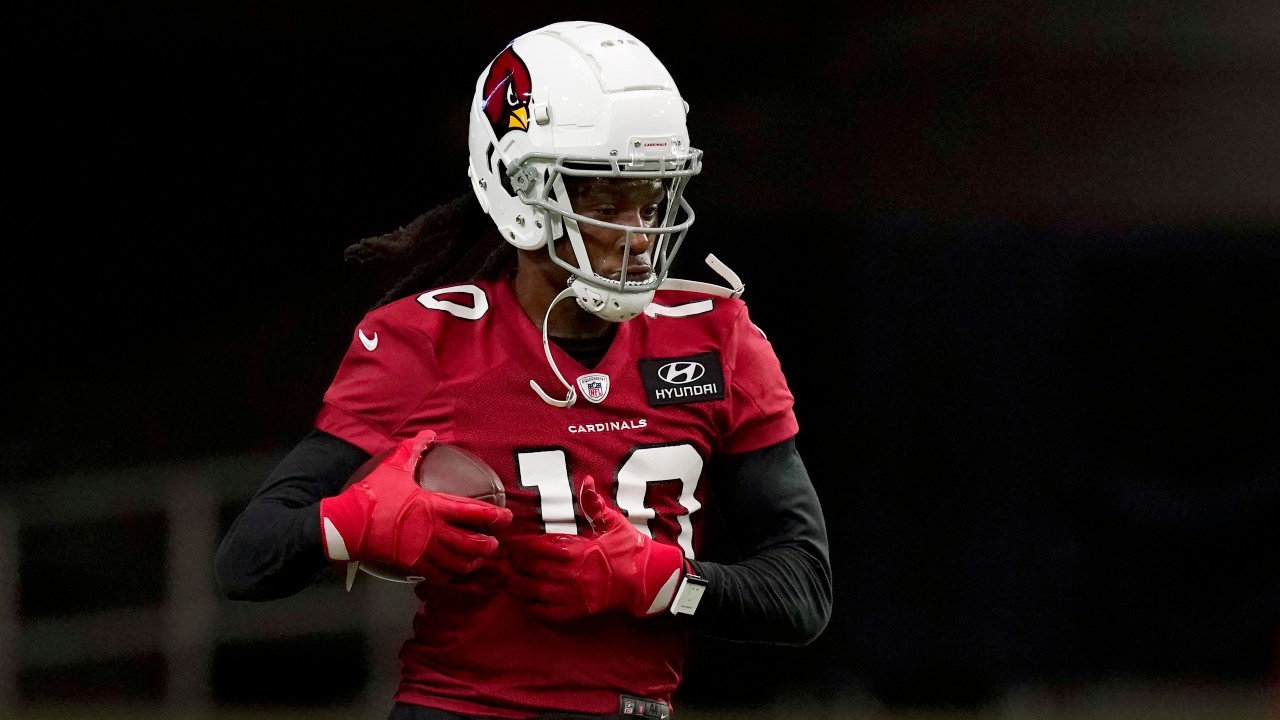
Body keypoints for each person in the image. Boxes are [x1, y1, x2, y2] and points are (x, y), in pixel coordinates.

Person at [215, 19, 832, 720]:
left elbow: (803, 593)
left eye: (652, 200)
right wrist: (350, 525)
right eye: (605, 204)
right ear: (519, 191)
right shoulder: (428, 339)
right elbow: (245, 561)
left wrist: (665, 582)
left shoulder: (717, 341)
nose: (638, 234)